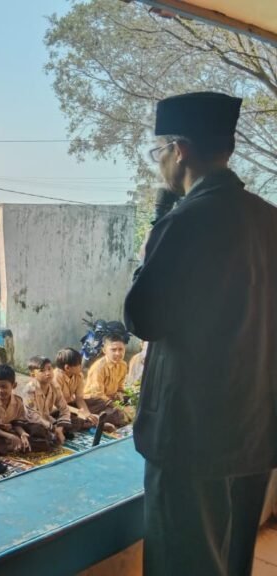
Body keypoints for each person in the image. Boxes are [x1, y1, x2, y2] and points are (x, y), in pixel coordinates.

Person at [122, 92, 277, 576]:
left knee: (182, 561)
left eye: (160, 152)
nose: (161, 163)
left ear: (180, 149)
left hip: (192, 437)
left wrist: (152, 248)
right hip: (254, 430)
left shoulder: (186, 221)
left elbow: (142, 318)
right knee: (232, 563)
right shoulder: (268, 218)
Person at [0, 364, 52, 453]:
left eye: (4, 387)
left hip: (13, 431)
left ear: (14, 385)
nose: (0, 390)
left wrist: (23, 434)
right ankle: (11, 447)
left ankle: (14, 446)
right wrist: (11, 437)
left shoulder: (18, 401)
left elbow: (18, 423)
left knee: (38, 429)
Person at [83, 335, 130, 429]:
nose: (118, 353)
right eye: (113, 350)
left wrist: (125, 396)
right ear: (104, 350)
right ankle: (93, 421)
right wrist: (116, 405)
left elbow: (120, 388)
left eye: (121, 349)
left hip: (109, 400)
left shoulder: (123, 365)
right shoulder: (99, 367)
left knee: (135, 408)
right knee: (120, 414)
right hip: (94, 402)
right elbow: (97, 394)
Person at [23, 356, 70, 446]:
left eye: (49, 369)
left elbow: (64, 409)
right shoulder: (29, 390)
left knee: (72, 421)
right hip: (32, 423)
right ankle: (49, 437)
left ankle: (53, 435)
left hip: (48, 419)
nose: (48, 373)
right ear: (33, 375)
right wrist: (52, 428)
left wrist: (59, 428)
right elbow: (33, 416)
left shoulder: (54, 386)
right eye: (42, 371)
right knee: (38, 431)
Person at [53, 348, 99, 431]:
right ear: (67, 368)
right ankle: (90, 424)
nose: (81, 367)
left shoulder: (78, 376)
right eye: (79, 365)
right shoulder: (55, 378)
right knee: (71, 421)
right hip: (57, 409)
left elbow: (79, 399)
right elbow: (58, 405)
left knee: (99, 402)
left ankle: (89, 421)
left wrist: (87, 413)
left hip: (71, 405)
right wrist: (79, 412)